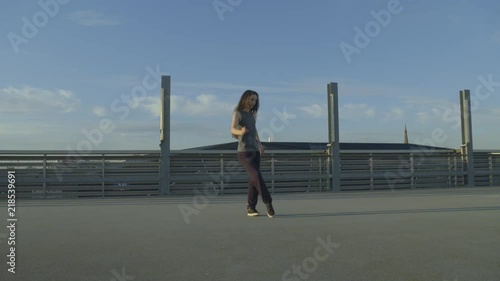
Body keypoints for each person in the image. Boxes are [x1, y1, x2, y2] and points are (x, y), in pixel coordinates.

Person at [231, 90, 275, 218]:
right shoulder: (237, 113)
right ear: (245, 98)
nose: (253, 102)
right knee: (256, 175)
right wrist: (241, 132)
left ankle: (251, 208)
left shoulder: (252, 115)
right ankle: (268, 202)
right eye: (251, 99)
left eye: (255, 100)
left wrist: (260, 145)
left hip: (255, 151)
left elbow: (255, 133)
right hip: (244, 152)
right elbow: (232, 128)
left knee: (253, 180)